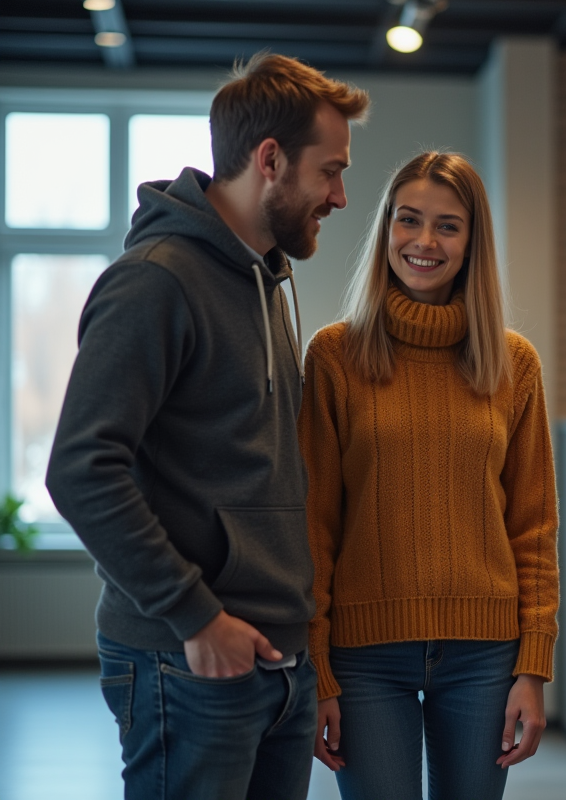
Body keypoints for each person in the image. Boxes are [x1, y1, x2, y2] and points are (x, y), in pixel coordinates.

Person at [45, 53, 369, 800]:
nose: (340, 196)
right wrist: (196, 619)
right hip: (189, 663)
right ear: (269, 160)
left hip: (279, 663)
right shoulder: (156, 280)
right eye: (329, 171)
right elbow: (80, 469)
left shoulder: (268, 278)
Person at [300, 151, 560, 800]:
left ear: (472, 243)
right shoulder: (334, 357)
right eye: (409, 219)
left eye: (448, 226)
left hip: (485, 656)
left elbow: (533, 529)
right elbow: (312, 529)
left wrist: (533, 667)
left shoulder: (514, 364)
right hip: (363, 657)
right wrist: (317, 669)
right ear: (386, 227)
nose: (424, 241)